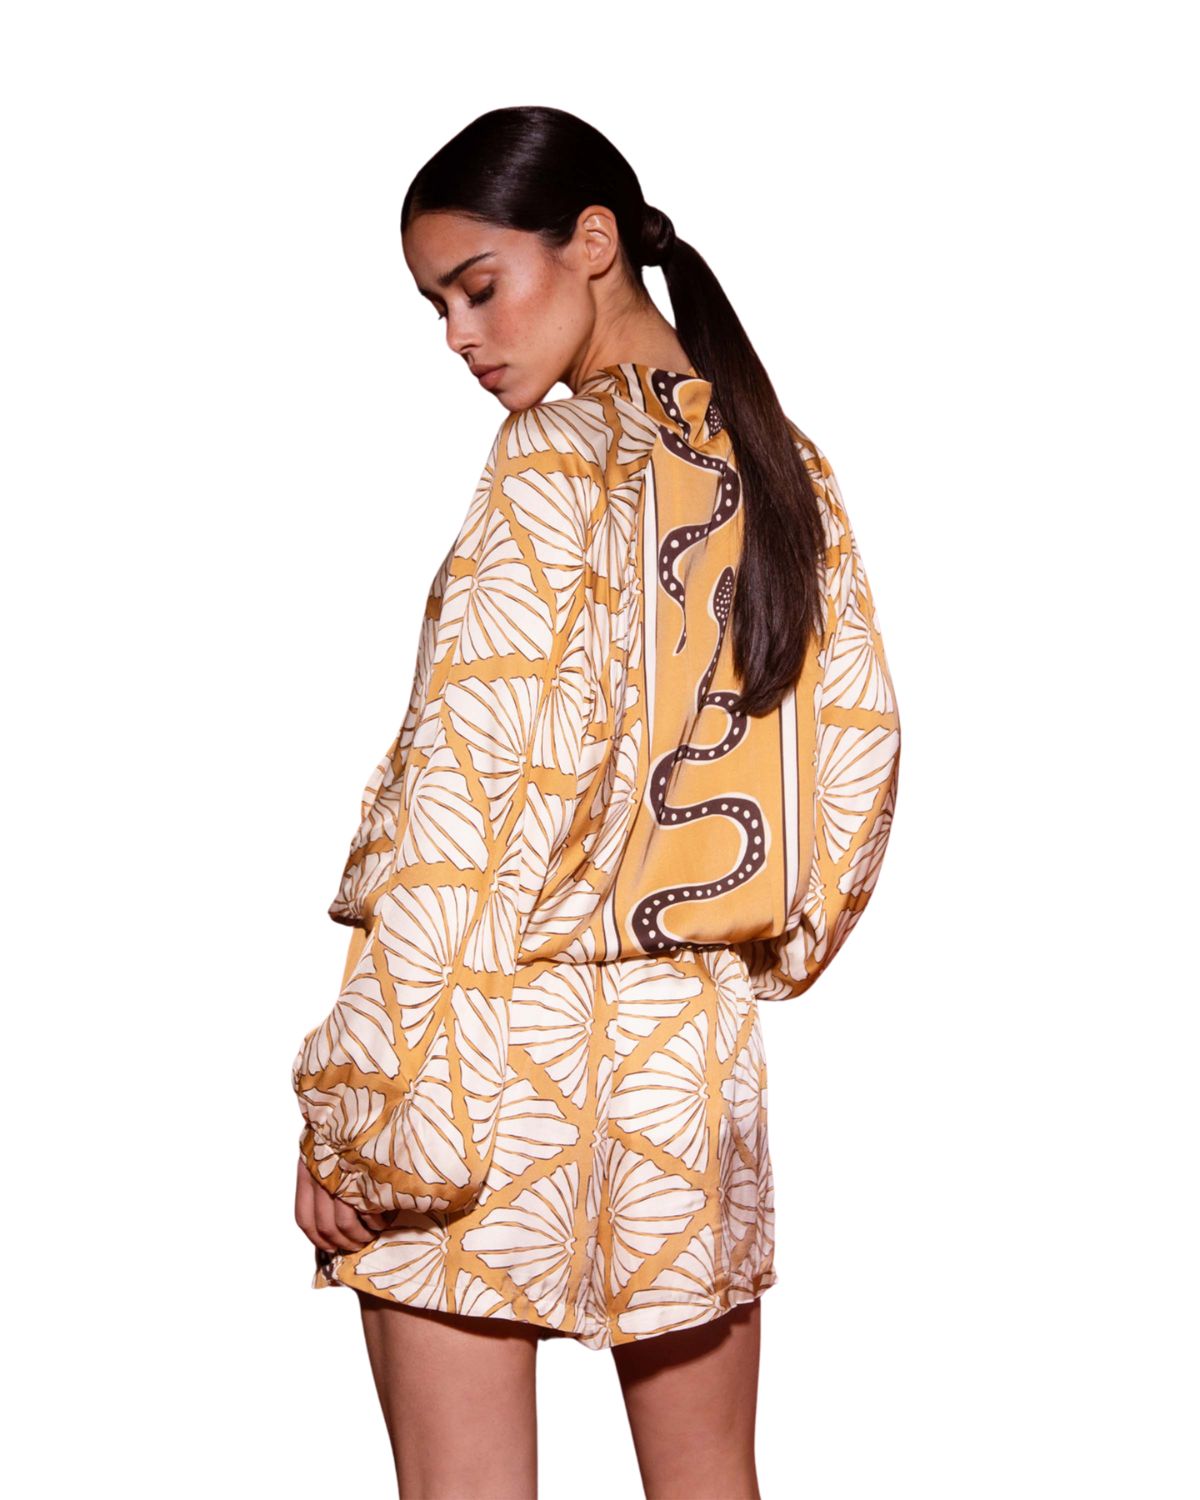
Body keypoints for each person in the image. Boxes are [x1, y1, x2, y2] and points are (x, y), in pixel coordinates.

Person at [291, 104, 901, 1499]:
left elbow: (459, 803)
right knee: (711, 1483)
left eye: (478, 286)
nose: (460, 334)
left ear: (593, 242)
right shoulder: (784, 463)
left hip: (483, 1047)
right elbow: (856, 757)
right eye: (437, 307)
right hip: (688, 1055)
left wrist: (358, 1110)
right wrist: (746, 949)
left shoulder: (554, 459)